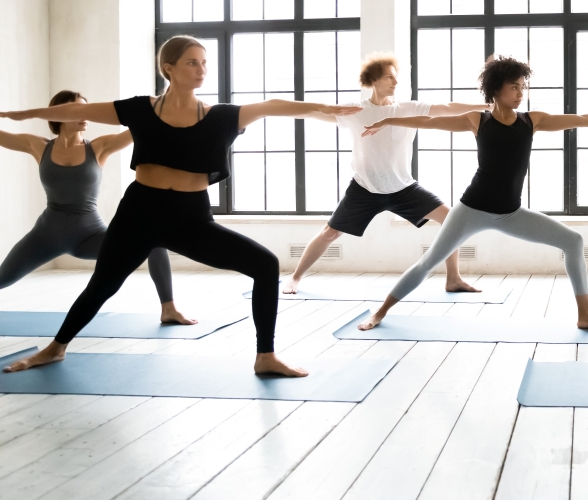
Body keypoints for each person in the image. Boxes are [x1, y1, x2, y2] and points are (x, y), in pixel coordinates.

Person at [1, 35, 360, 376]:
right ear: (168, 68)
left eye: (205, 63)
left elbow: (271, 107)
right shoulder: (139, 110)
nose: (202, 69)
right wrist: (21, 114)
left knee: (265, 265)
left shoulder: (221, 116)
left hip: (191, 219)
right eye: (192, 62)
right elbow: (82, 110)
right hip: (139, 213)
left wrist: (321, 107)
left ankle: (265, 356)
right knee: (102, 285)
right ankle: (56, 347)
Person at [357, 55, 588, 331]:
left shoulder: (532, 121)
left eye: (523, 87)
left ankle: (586, 314)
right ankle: (380, 312)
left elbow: (580, 119)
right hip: (471, 210)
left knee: (573, 240)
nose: (520, 93)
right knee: (428, 263)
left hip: (510, 213)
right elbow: (428, 122)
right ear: (496, 88)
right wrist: (388, 121)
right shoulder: (478, 120)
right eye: (514, 87)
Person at [283, 53, 488, 295]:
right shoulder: (356, 110)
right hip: (365, 188)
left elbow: (448, 108)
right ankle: (295, 278)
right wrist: (281, 109)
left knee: (451, 220)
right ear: (374, 80)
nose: (395, 82)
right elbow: (314, 113)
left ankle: (453, 279)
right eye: (389, 77)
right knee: (330, 232)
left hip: (403, 187)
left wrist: (486, 106)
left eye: (395, 77)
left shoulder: (408, 108)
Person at [0, 90, 190, 324]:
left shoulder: (100, 147)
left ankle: (169, 308)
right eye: (77, 110)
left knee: (154, 242)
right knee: (3, 277)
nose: (86, 115)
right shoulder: (37, 145)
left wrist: (165, 101)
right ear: (59, 114)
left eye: (86, 109)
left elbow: (142, 125)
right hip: (46, 236)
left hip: (90, 236)